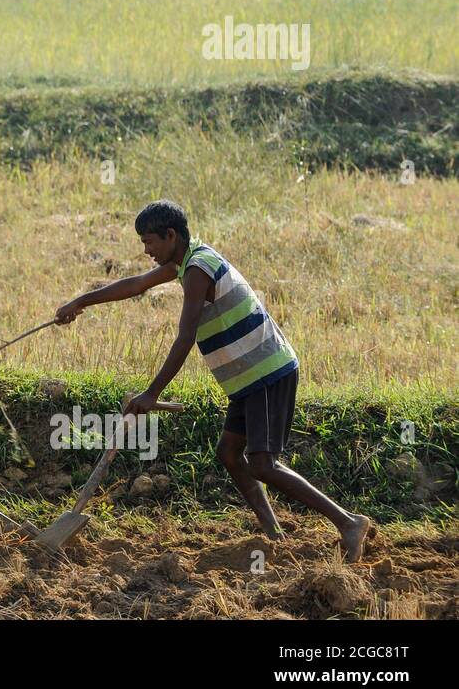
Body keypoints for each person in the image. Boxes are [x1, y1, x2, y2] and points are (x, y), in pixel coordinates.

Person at [54, 200, 372, 561]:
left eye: (149, 242)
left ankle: (347, 522)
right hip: (247, 379)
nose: (146, 250)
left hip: (266, 372)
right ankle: (273, 530)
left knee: (263, 464)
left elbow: (185, 337)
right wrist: (81, 301)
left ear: (171, 235)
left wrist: (151, 393)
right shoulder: (185, 261)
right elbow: (138, 284)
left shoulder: (197, 270)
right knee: (229, 454)